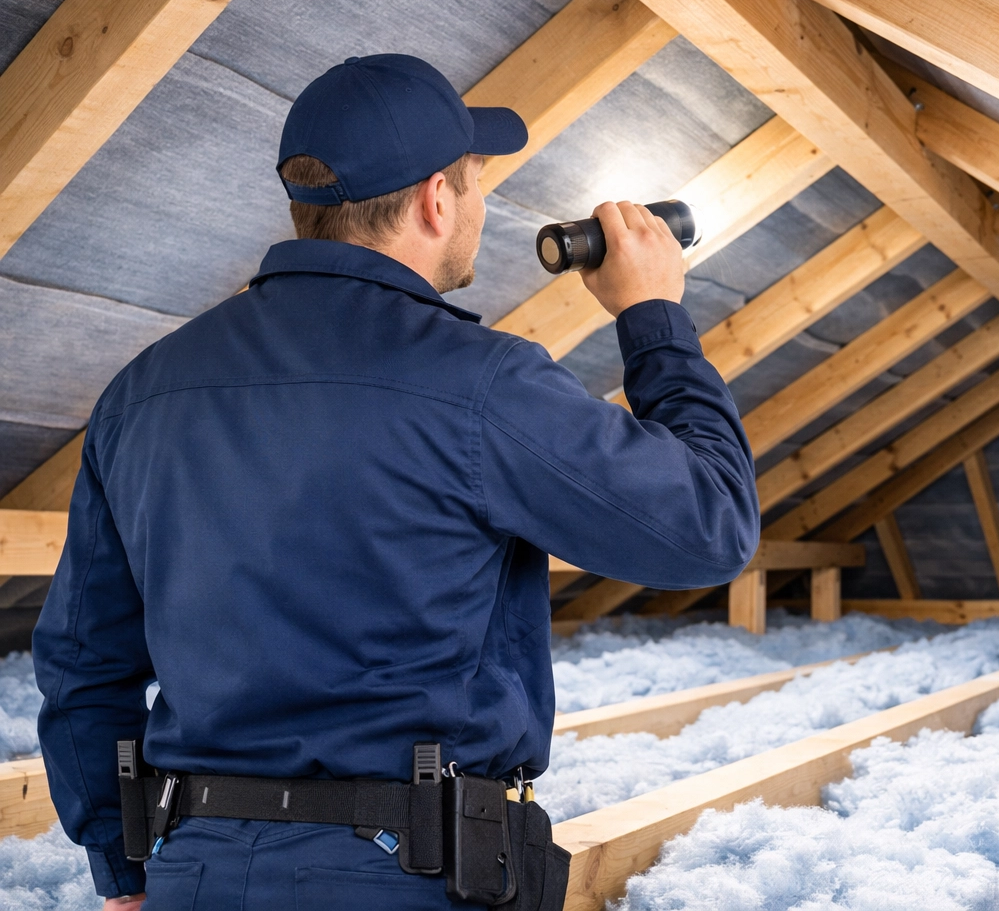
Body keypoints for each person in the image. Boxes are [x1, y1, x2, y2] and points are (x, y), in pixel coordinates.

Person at [33, 53, 759, 910]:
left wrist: (123, 870)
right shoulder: (485, 384)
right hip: (411, 876)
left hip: (197, 872)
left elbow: (83, 662)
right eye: (476, 182)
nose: (480, 207)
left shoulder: (142, 391)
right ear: (434, 199)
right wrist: (655, 319)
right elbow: (710, 529)